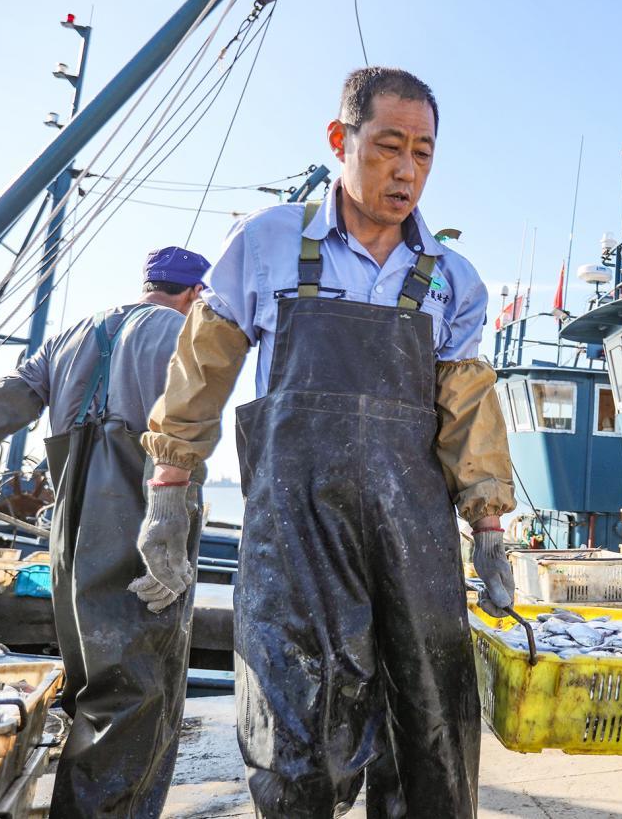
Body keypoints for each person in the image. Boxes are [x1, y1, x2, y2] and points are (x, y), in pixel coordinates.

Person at [139, 67, 516, 818]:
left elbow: (467, 409)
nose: (406, 170)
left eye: (422, 152)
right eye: (386, 146)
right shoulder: (267, 242)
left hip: (413, 540)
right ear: (340, 140)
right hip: (294, 532)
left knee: (431, 727)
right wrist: (168, 494)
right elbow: (203, 369)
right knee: (293, 736)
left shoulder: (451, 279)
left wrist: (490, 527)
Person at [0, 246, 210, 817]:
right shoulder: (186, 336)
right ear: (196, 293)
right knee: (139, 692)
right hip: (142, 523)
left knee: (89, 683)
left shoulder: (74, 335)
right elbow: (186, 437)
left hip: (71, 531)